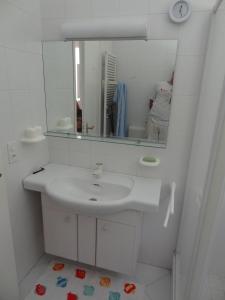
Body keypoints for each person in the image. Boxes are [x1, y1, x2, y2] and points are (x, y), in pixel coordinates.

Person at [146, 72, 174, 143]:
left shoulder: (180, 90)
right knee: (150, 142)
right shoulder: (159, 84)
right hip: (153, 119)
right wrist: (153, 112)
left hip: (167, 122)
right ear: (173, 73)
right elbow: (151, 100)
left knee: (163, 144)